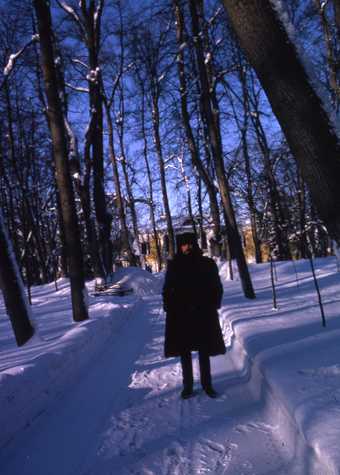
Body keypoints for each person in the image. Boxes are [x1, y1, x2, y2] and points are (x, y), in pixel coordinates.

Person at [162, 232, 226, 399]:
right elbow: (167, 289)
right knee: (185, 352)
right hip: (181, 315)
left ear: (195, 244)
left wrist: (214, 304)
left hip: (202, 313)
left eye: (190, 244)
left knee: (204, 350)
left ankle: (207, 385)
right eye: (184, 244)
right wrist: (169, 306)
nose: (187, 247)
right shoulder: (174, 265)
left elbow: (216, 286)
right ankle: (188, 386)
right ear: (179, 246)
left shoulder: (207, 263)